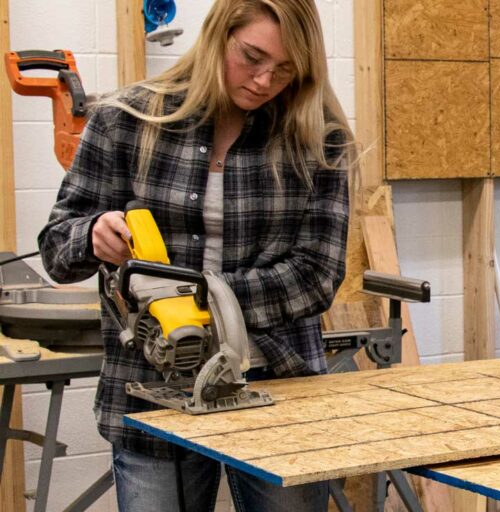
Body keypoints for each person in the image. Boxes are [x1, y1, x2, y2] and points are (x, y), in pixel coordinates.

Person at [38, 0, 355, 510]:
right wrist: (92, 234)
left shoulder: (319, 139)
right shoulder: (126, 121)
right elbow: (57, 248)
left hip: (279, 385)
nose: (264, 81)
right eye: (252, 57)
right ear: (218, 35)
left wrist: (193, 307)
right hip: (150, 388)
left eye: (285, 70)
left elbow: (317, 275)